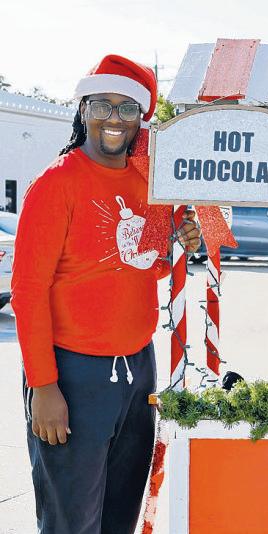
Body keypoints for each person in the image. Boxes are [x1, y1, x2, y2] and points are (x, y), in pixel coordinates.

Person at [12, 55, 201, 534]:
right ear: (83, 110)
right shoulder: (55, 183)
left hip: (138, 369)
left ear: (140, 119)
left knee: (121, 514)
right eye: (102, 105)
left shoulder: (149, 183)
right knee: (71, 522)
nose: (114, 118)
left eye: (127, 108)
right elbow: (27, 291)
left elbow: (148, 268)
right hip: (71, 375)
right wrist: (44, 387)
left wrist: (180, 243)